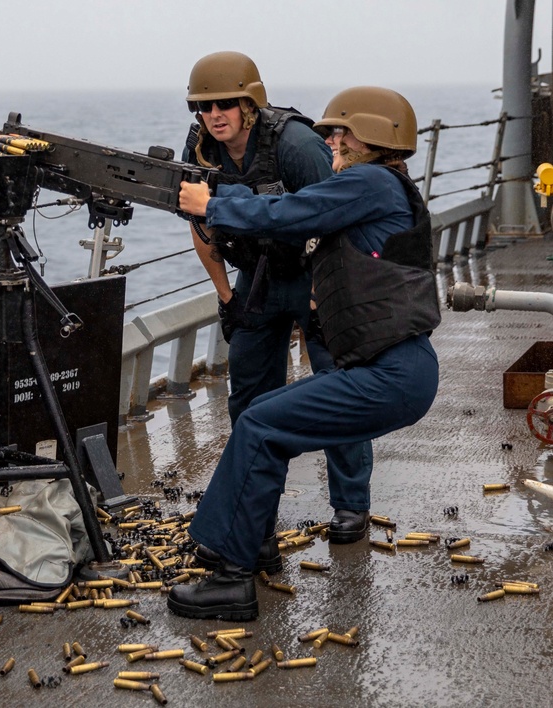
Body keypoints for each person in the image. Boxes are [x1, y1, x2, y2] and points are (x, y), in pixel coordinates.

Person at [168, 86, 441, 620]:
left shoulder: (372, 180)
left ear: (379, 139)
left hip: (391, 373)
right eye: (332, 132)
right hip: (394, 368)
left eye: (343, 132)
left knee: (260, 425)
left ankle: (233, 577)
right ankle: (240, 547)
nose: (332, 141)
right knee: (266, 424)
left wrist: (214, 204)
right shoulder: (383, 190)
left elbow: (290, 211)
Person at [182, 51, 374, 568]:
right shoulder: (200, 149)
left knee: (340, 388)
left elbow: (336, 215)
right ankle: (255, 522)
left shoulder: (295, 143)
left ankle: (351, 505)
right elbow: (201, 228)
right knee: (248, 397)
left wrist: (323, 294)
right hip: (257, 280)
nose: (215, 114)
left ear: (250, 104)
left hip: (316, 276)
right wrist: (227, 298)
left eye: (226, 103)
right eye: (204, 106)